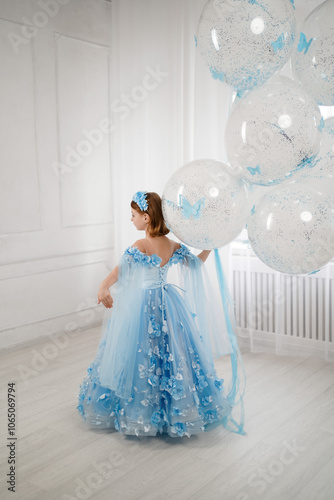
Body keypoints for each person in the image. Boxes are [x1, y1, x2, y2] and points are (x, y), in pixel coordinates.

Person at [76, 191, 245, 438]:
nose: (130, 219)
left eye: (133, 215)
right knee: (173, 353)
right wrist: (209, 245)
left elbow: (120, 270)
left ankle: (140, 412)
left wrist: (103, 285)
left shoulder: (141, 245)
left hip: (143, 305)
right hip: (169, 303)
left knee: (140, 353)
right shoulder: (173, 245)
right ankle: (176, 410)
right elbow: (196, 263)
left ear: (146, 217)